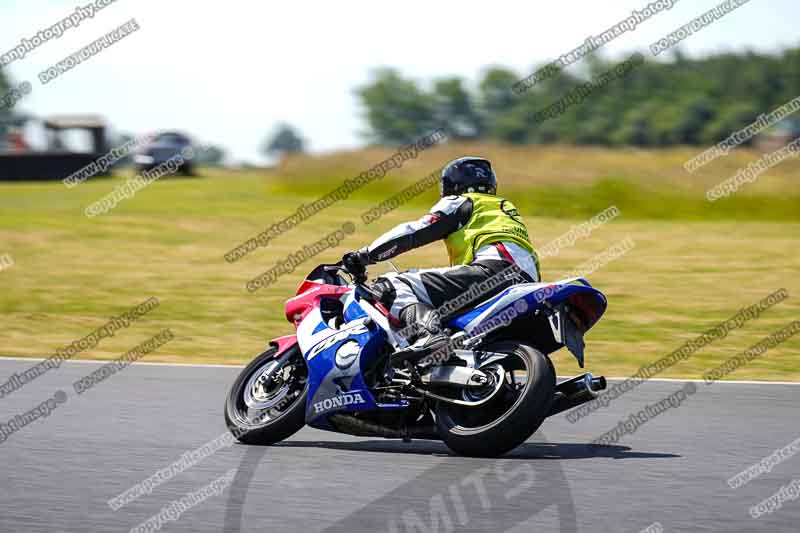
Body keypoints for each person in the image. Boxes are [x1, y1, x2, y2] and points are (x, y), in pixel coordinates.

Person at [342, 156, 540, 356]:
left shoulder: (462, 201)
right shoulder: (505, 208)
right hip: (527, 280)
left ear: (453, 185)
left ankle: (428, 335)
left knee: (391, 285)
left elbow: (414, 232)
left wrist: (366, 255)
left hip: (491, 272)